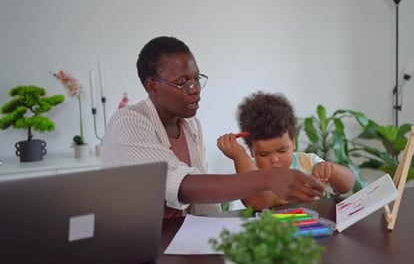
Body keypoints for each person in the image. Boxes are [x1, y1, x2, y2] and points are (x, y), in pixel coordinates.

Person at [101, 36, 325, 218]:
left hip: (180, 236)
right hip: (139, 242)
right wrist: (267, 179)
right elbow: (183, 185)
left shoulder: (190, 125)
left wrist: (218, 232)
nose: (194, 89)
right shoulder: (128, 122)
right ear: (152, 86)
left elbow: (200, 203)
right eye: (182, 82)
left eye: (196, 78)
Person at [217, 91, 355, 210]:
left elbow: (347, 186)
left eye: (282, 151)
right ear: (252, 150)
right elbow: (254, 202)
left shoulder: (308, 163)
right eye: (264, 154)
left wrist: (332, 170)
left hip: (313, 229)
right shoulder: (251, 170)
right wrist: (239, 156)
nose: (275, 159)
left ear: (293, 142)